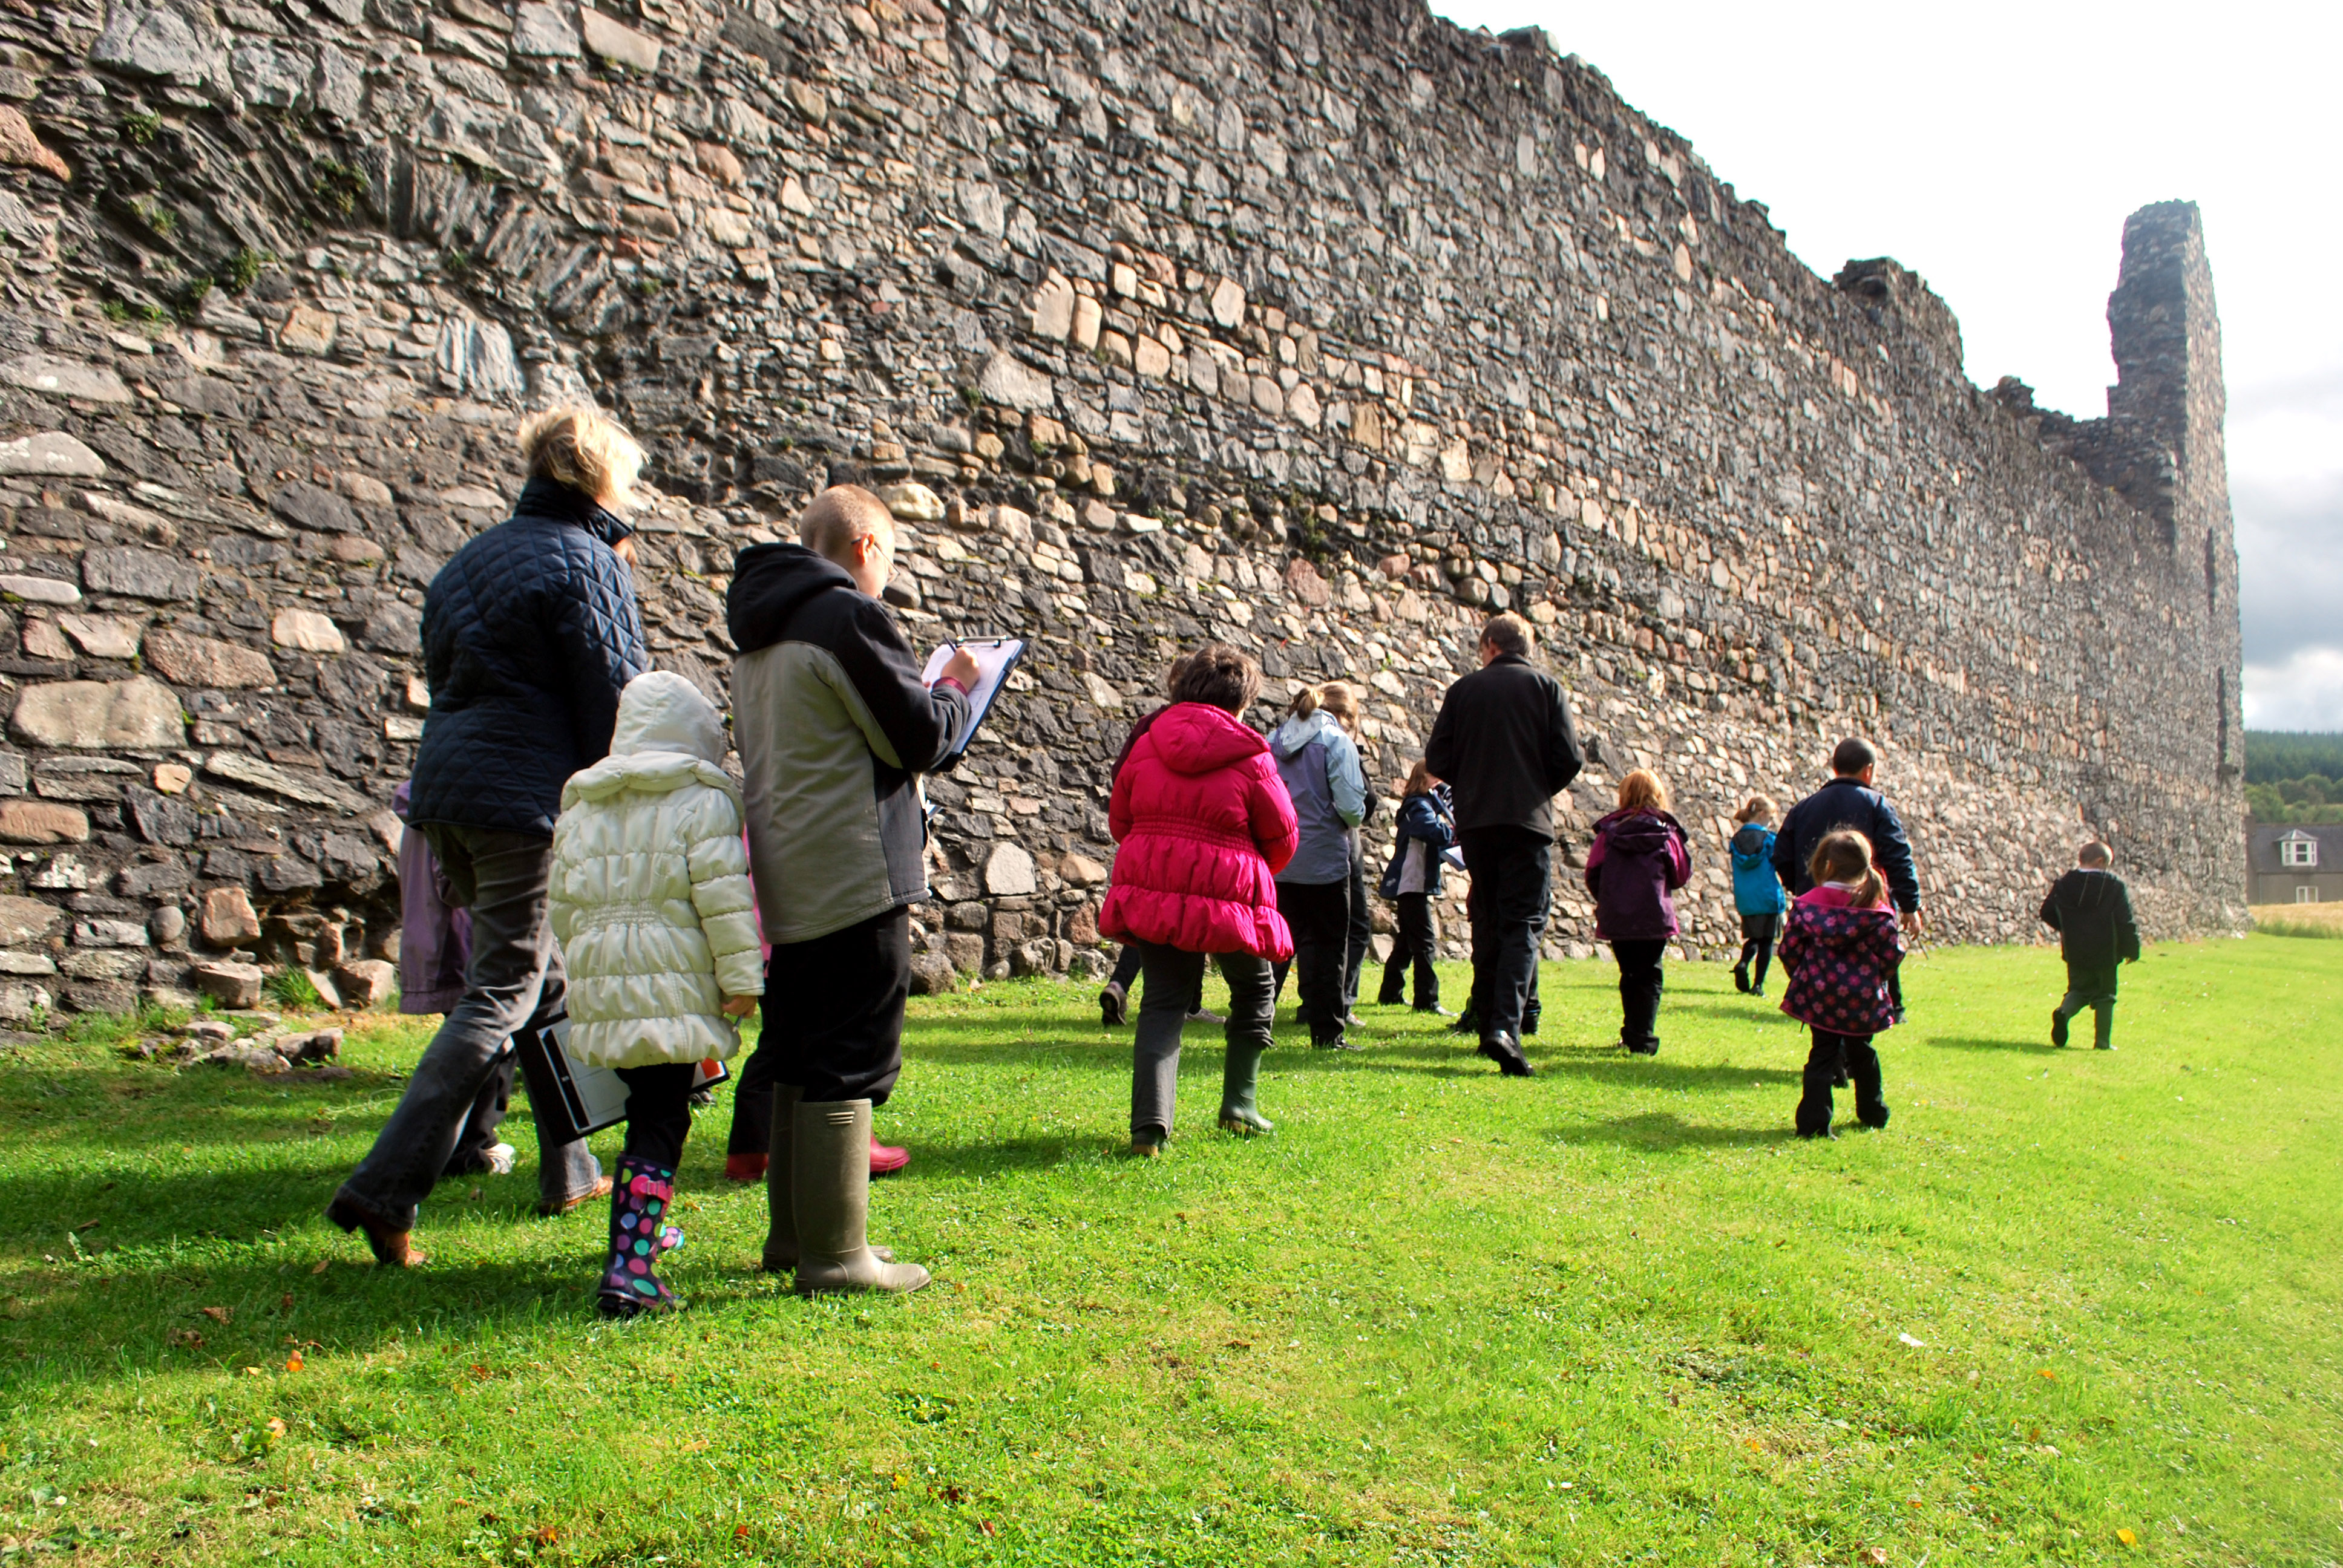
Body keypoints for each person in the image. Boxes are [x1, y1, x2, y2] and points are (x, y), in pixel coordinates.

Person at [326, 404, 650, 1267]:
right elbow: (619, 699)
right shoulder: (588, 561)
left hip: (448, 803)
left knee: (540, 981)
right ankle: (385, 1190)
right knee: (503, 992)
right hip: (521, 807)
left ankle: (570, 1164)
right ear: (598, 478)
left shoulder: (467, 562)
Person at [727, 485, 978, 1296]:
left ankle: (792, 1237)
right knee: (851, 1056)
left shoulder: (762, 624)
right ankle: (837, 1257)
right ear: (867, 545)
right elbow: (919, 738)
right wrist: (956, 688)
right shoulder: (847, 616)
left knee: (799, 1051)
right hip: (854, 868)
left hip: (790, 870)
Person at [545, 671, 764, 1316]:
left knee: (646, 1103)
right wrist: (741, 981)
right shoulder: (702, 800)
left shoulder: (583, 803)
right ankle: (630, 1268)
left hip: (605, 977)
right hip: (672, 977)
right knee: (662, 1117)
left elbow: (562, 907)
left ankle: (640, 1231)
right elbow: (724, 901)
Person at [1098, 643, 1298, 1153]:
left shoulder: (1147, 743)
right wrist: (1246, 865)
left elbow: (1120, 820)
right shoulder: (1252, 755)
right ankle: (1240, 1104)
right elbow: (1282, 836)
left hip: (1160, 889)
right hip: (1229, 894)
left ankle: (1149, 1129)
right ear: (1243, 700)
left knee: (1163, 1003)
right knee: (1254, 990)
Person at [1423, 612, 1584, 1077]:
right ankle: (1504, 1029)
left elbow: (1439, 758)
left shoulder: (1464, 691)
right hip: (1526, 821)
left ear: (1490, 644)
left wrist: (1474, 785)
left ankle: (1486, 1023)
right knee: (1523, 924)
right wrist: (1535, 787)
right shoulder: (1547, 688)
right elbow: (1568, 757)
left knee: (1489, 920)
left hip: (1476, 822)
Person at [1096, 657, 1219, 1031]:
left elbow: (1121, 775)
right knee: (1187, 915)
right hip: (1189, 838)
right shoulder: (1209, 729)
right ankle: (1189, 1003)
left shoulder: (1149, 724)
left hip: (1145, 835)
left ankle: (1120, 983)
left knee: (1150, 920)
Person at [1778, 830, 1906, 1137]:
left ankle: (1813, 1122)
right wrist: (1877, 980)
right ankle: (1873, 1111)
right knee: (1863, 1052)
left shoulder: (1808, 906)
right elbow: (1892, 956)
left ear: (1826, 864)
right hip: (1862, 999)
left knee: (1821, 1055)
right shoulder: (1877, 911)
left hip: (1819, 996)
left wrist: (1805, 977)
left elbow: (1789, 950)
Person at [1269, 682, 1367, 1050]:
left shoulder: (1272, 741)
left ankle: (1255, 1022)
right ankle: (1327, 1034)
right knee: (1329, 949)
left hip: (1281, 859)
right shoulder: (1336, 741)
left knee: (1276, 946)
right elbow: (1351, 808)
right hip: (1325, 861)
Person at [1584, 769, 1691, 1056]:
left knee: (1629, 973)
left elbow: (1593, 872)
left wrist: (1609, 899)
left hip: (1618, 915)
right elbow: (1680, 874)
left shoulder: (1609, 834)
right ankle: (1642, 1037)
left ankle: (1632, 1032)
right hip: (1654, 915)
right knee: (1649, 975)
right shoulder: (1666, 834)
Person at [2040, 840, 2140, 1051]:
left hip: (2075, 949)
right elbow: (2125, 921)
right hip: (2106, 951)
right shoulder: (2114, 886)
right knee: (2106, 995)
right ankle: (2102, 1043)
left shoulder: (2064, 883)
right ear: (2101, 861)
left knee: (2077, 989)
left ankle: (2064, 1013)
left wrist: (2068, 928)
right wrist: (2132, 949)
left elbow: (2046, 912)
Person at [1374, 762, 1455, 1014]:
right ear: (1426, 777)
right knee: (1425, 942)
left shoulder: (1422, 805)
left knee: (1408, 942)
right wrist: (1455, 831)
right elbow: (1430, 831)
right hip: (1412, 882)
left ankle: (1390, 993)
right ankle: (1427, 1000)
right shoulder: (1417, 806)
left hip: (1415, 881)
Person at [1728, 795, 1786, 997]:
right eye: (1770, 817)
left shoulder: (1736, 840)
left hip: (1746, 898)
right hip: (1768, 896)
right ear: (1762, 814)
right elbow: (1780, 864)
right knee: (1767, 941)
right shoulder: (1769, 840)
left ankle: (1743, 962)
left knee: (1754, 937)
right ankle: (1758, 985)